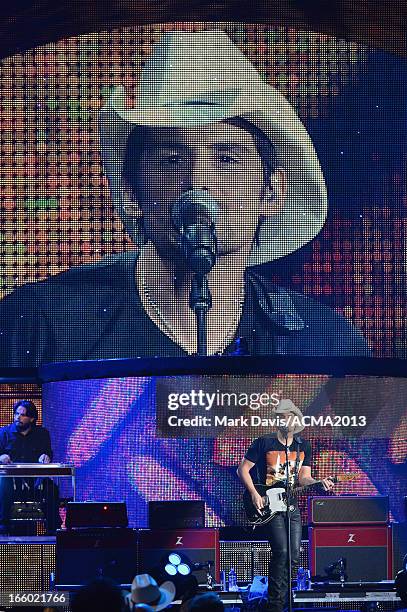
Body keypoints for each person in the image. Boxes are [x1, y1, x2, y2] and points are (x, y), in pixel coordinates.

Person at [0, 30, 370, 366]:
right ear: (132, 191)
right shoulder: (39, 323)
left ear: (271, 191)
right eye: (171, 160)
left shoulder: (327, 345)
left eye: (226, 159)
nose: (198, 182)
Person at [237, 399, 334, 612]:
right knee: (280, 551)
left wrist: (318, 483)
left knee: (294, 554)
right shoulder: (264, 442)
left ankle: (286, 601)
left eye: (288, 415)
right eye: (281, 416)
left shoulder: (302, 445)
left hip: (290, 506)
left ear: (295, 419)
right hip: (269, 505)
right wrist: (254, 494)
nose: (285, 419)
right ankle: (275, 605)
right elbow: (242, 469)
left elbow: (303, 478)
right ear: (276, 420)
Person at [0, 400, 61, 535]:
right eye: (16, 414)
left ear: (32, 418)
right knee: (3, 484)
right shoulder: (3, 433)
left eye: (22, 415)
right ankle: (3, 527)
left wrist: (45, 456)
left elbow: (48, 453)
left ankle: (53, 530)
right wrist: (1, 457)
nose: (18, 417)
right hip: (11, 483)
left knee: (52, 489)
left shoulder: (42, 433)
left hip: (35, 483)